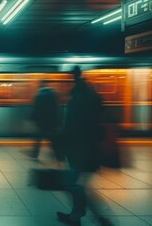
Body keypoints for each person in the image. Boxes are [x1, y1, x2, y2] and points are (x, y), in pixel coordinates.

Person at [56, 66, 113, 226]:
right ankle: (80, 215)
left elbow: (73, 128)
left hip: (81, 151)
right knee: (78, 184)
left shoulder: (79, 100)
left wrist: (61, 146)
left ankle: (97, 218)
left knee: (73, 184)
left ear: (73, 79)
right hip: (87, 150)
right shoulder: (89, 96)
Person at [28, 80, 61, 160]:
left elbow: (37, 108)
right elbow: (55, 108)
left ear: (41, 86)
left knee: (39, 136)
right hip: (51, 120)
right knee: (51, 137)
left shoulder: (39, 95)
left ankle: (35, 153)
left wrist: (34, 118)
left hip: (42, 121)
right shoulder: (53, 94)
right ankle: (57, 154)